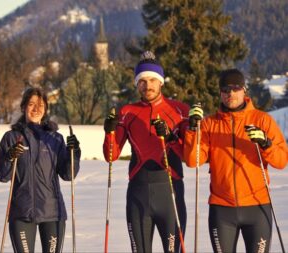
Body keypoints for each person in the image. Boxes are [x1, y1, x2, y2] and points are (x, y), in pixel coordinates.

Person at [184, 68, 288, 253]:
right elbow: (193, 161)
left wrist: (266, 143)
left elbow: (281, 161)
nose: (230, 93)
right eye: (225, 89)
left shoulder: (262, 120)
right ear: (220, 93)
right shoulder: (209, 123)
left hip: (257, 207)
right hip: (222, 209)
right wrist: (192, 129)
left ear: (244, 90)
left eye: (235, 88)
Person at [103, 51, 189, 253]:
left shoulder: (179, 110)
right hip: (138, 193)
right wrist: (109, 132)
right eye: (142, 81)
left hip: (170, 192)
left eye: (152, 79)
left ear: (161, 82)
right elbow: (111, 155)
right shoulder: (127, 112)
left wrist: (170, 138)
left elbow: (191, 157)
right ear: (136, 84)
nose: (147, 85)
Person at [0, 87, 81, 253]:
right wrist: (9, 157)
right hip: (22, 212)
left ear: (46, 109)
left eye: (40, 105)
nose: (36, 109)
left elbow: (68, 174)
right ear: (23, 107)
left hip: (52, 212)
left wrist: (74, 153)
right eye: (31, 104)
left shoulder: (55, 138)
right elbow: (2, 175)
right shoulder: (11, 137)